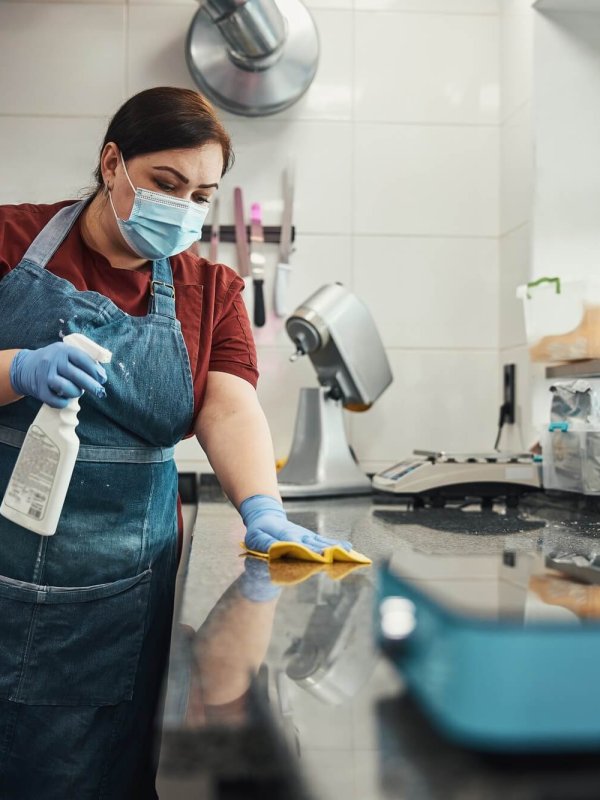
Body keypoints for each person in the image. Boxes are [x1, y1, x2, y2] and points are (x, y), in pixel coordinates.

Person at [0, 86, 349, 799]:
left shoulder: (209, 287)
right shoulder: (10, 240)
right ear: (111, 163)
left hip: (120, 596)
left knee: (90, 772)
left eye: (202, 194)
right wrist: (18, 368)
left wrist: (263, 508)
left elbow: (229, 408)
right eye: (165, 184)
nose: (183, 207)